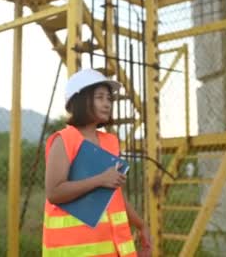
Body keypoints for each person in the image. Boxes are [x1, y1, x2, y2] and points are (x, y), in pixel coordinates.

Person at [42, 69, 152, 257]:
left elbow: (115, 196)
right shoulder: (65, 139)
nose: (107, 103)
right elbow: (54, 192)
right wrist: (100, 179)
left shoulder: (110, 141)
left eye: (109, 99)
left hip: (113, 249)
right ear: (81, 100)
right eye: (100, 97)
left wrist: (141, 225)